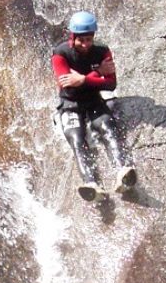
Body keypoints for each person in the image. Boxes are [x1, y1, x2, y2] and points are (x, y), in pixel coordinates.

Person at [51, 11, 136, 201]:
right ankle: (91, 183)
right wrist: (97, 73)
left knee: (108, 126)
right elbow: (68, 87)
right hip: (70, 104)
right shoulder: (60, 54)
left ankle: (123, 171)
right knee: (76, 139)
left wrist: (82, 79)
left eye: (89, 39)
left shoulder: (102, 51)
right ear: (72, 37)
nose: (86, 44)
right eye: (81, 40)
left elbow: (111, 84)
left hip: (94, 101)